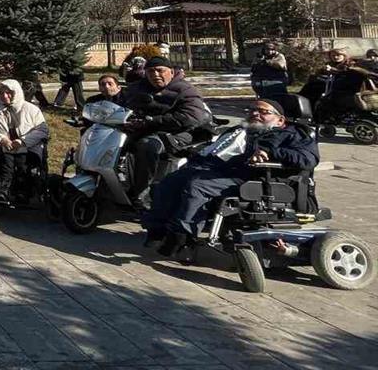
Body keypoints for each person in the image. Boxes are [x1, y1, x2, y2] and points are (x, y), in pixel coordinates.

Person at [144, 98, 318, 255]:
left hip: (262, 181)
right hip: (234, 172)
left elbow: (308, 159)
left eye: (263, 111)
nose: (255, 114)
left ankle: (181, 236)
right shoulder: (246, 131)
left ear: (280, 120)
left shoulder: (295, 134)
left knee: (197, 186)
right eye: (252, 110)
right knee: (171, 181)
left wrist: (271, 152)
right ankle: (158, 230)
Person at [121, 57, 212, 205]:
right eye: (150, 71)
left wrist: (152, 121)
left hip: (180, 133)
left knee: (147, 145)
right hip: (143, 128)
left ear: (171, 71)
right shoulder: (137, 88)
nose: (155, 74)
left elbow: (191, 117)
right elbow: (120, 103)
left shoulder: (185, 90)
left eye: (160, 70)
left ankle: (143, 193)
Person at [0, 79, 50, 205]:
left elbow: (42, 130)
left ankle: (22, 193)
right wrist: (1, 139)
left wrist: (22, 141)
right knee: (6, 164)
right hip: (4, 145)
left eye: (8, 93)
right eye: (1, 93)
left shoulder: (31, 109)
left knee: (22, 164)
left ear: (16, 93)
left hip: (26, 146)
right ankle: (2, 192)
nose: (4, 96)